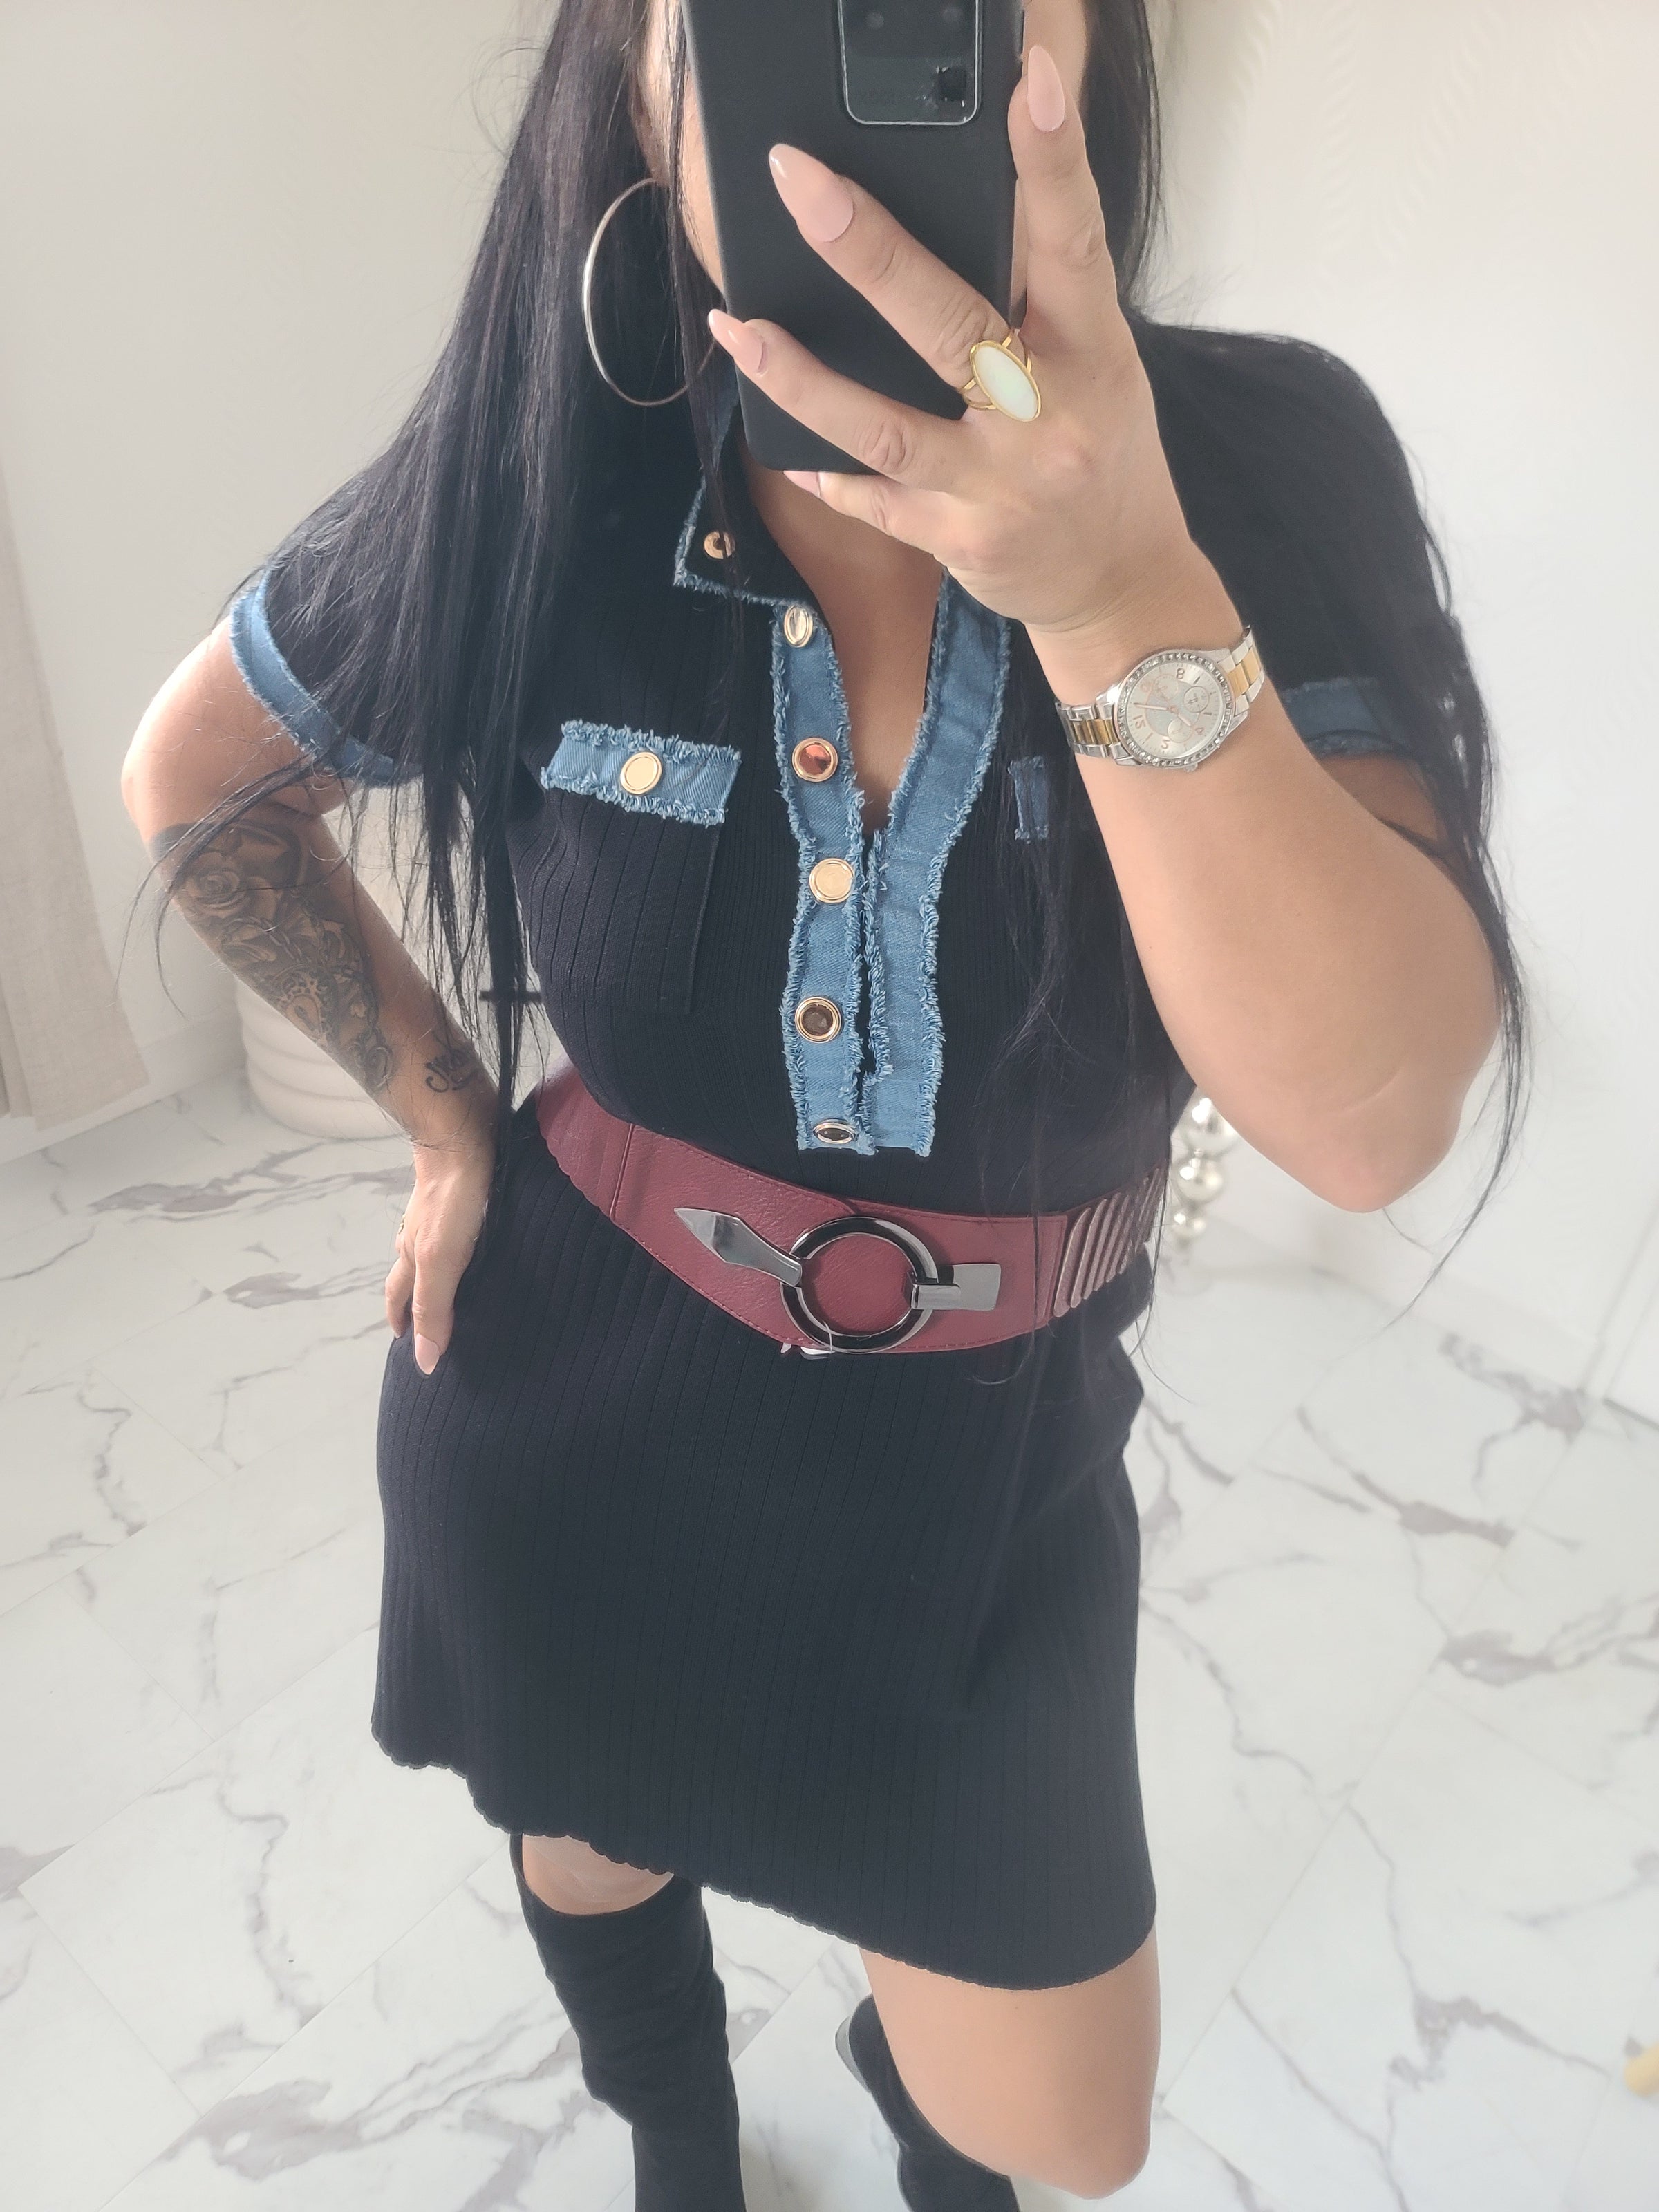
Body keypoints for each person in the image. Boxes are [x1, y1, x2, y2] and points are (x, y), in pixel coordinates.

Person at [121, 0, 1522, 2202]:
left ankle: (911, 2101)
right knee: (586, 1840)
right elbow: (199, 778)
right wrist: (446, 1114)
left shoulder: (1263, 467)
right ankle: (674, 2124)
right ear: (638, 74)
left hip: (992, 1465)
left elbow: (1369, 1118)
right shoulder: (544, 464)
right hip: (575, 1406)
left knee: (1054, 2128)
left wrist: (1113, 584)